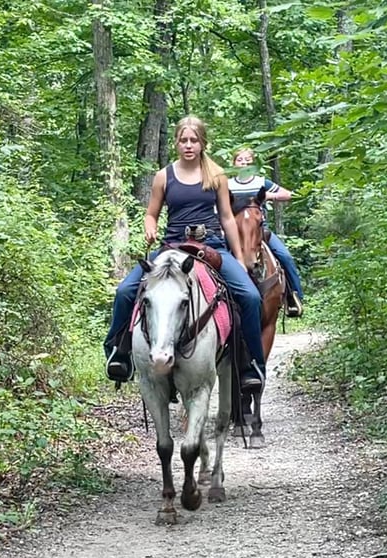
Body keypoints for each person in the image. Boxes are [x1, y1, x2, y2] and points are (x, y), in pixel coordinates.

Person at [104, 116, 267, 390]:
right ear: (177, 143)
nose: (189, 145)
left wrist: (238, 256)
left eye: (194, 140)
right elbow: (151, 214)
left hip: (212, 245)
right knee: (124, 291)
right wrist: (150, 228)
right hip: (172, 246)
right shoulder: (163, 176)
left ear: (203, 143)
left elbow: (227, 217)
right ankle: (118, 353)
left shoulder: (216, 174)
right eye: (183, 140)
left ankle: (251, 364)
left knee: (250, 296)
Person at [228, 148, 304, 317]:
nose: (244, 163)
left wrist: (268, 195)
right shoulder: (228, 185)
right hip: (235, 233)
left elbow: (288, 194)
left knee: (284, 256)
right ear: (234, 163)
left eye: (248, 160)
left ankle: (294, 297)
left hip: (260, 231)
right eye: (240, 160)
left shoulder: (262, 182)